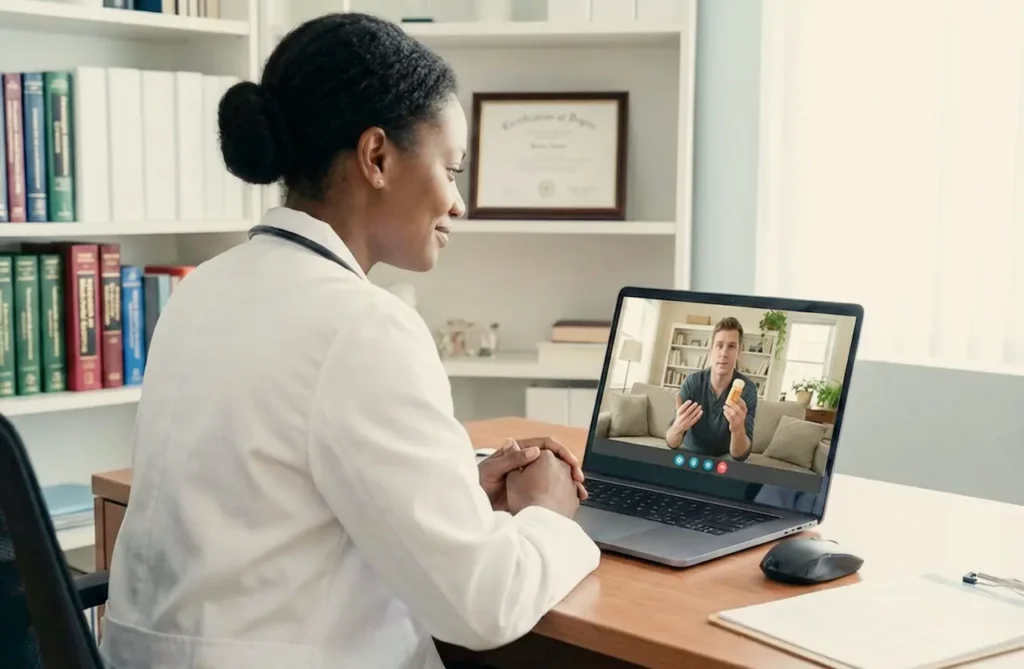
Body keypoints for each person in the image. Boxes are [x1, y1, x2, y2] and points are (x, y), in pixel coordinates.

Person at [98, 13, 600, 669]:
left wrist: (456, 488)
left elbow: (269, 508)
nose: (459, 203)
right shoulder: (363, 327)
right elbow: (485, 605)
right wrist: (548, 514)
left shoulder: (202, 289)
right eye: (452, 170)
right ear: (377, 157)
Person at [665, 317, 757, 460]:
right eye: (719, 345)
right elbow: (671, 443)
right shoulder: (692, 382)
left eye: (731, 346)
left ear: (739, 351)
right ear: (710, 349)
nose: (724, 353)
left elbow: (740, 456)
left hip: (725, 458)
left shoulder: (748, 390)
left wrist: (738, 429)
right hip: (690, 453)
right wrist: (678, 426)